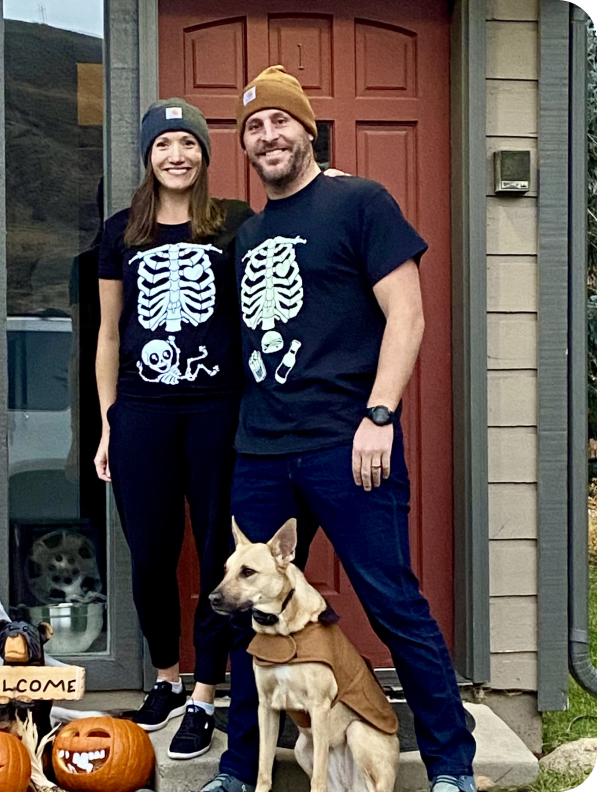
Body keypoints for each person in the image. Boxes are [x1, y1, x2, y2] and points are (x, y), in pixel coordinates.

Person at [199, 66, 477, 792]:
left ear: (307, 129)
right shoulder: (249, 233)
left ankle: (452, 764)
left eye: (280, 122)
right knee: (242, 612)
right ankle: (238, 768)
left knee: (392, 601)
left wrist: (379, 415)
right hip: (260, 448)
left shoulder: (361, 203)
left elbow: (407, 315)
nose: (267, 136)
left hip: (346, 442)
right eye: (253, 128)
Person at [94, 98, 253, 760]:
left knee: (220, 551)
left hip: (218, 408)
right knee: (153, 552)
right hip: (144, 412)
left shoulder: (235, 225)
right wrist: (109, 423)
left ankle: (205, 692)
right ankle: (165, 677)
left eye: (188, 143)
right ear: (148, 156)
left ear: (204, 156)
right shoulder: (120, 233)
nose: (176, 154)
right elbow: (108, 335)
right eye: (164, 145)